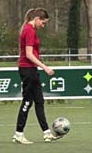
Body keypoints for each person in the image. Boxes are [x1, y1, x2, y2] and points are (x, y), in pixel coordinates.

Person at [13, 8, 60, 144]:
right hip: (27, 70)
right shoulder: (29, 30)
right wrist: (45, 67)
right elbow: (28, 54)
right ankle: (18, 133)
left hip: (32, 69)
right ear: (37, 19)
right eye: (43, 23)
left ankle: (47, 133)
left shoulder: (30, 30)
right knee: (27, 102)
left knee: (39, 101)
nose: (43, 26)